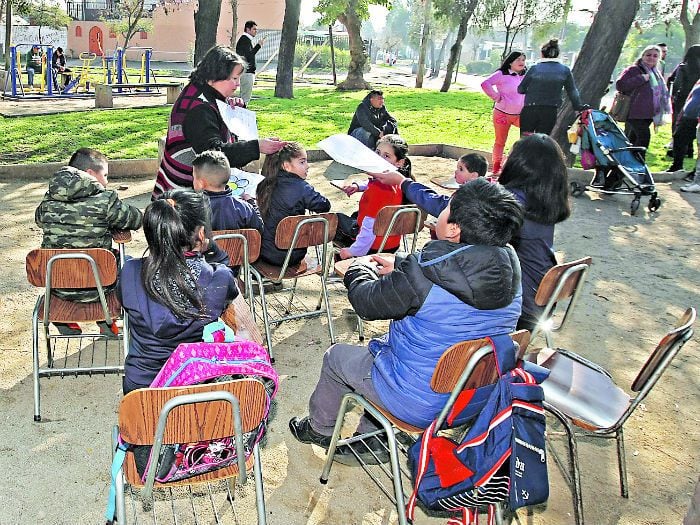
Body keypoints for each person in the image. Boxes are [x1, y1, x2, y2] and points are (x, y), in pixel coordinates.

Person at [288, 179, 523, 464]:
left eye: (447, 207)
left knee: (337, 357)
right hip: (472, 398)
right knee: (396, 358)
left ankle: (319, 428)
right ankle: (370, 439)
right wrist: (401, 267)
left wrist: (357, 270)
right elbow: (456, 279)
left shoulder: (422, 275)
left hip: (417, 401)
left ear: (453, 229)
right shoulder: (510, 269)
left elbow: (366, 303)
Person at [119, 189, 238, 394]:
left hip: (142, 392)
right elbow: (229, 283)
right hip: (198, 387)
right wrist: (210, 249)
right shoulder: (219, 279)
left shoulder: (129, 272)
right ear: (201, 234)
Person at [35, 147, 143, 335]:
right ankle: (106, 318)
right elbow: (135, 220)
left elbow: (39, 219)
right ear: (90, 174)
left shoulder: (50, 199)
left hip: (58, 286)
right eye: (105, 175)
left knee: (91, 263)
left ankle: (64, 319)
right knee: (132, 265)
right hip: (101, 286)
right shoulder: (105, 200)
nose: (107, 181)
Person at [154, 45, 285, 199]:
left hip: (185, 183)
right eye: (234, 78)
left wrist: (229, 105)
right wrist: (257, 147)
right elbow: (214, 156)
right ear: (214, 76)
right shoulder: (199, 110)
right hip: (184, 194)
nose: (237, 84)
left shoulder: (200, 90)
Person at [497, 134, 571, 330]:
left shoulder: (511, 202)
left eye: (510, 155)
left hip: (519, 308)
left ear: (521, 165)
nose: (506, 158)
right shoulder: (543, 201)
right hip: (541, 300)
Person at [336, 134, 412, 259]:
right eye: (377, 152)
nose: (379, 158)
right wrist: (358, 186)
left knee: (336, 220)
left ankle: (341, 264)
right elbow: (373, 184)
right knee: (355, 216)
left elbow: (369, 230)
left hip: (372, 246)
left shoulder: (377, 190)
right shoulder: (402, 183)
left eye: (386, 156)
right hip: (392, 244)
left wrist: (352, 251)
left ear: (399, 163)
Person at [257, 142, 331, 266]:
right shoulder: (301, 188)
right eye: (302, 162)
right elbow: (324, 205)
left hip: (263, 252)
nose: (308, 166)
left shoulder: (263, 183)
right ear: (287, 166)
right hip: (292, 255)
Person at [517, 39, 585, 136]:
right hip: (550, 111)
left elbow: (520, 89)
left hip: (530, 110)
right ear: (557, 54)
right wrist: (578, 106)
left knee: (525, 141)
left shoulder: (534, 69)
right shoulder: (565, 70)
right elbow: (572, 91)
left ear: (542, 53)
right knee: (543, 141)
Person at [616, 45, 671, 158]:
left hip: (649, 114)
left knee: (633, 140)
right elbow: (620, 85)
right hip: (634, 112)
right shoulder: (634, 70)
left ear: (659, 58)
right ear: (643, 56)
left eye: (655, 56)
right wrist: (641, 78)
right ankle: (639, 162)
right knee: (644, 137)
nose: (651, 58)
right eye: (648, 55)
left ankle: (627, 165)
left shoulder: (656, 73)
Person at [191, 150, 263, 232]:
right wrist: (251, 202)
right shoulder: (244, 208)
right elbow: (259, 230)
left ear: (201, 183)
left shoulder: (191, 209)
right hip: (240, 245)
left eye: (194, 177)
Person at [481, 51, 527, 174]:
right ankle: (496, 167)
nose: (521, 62)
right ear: (510, 62)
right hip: (502, 113)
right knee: (500, 141)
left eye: (523, 60)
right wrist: (496, 97)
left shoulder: (526, 75)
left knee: (526, 140)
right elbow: (485, 83)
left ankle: (513, 164)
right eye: (518, 60)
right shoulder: (501, 74)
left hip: (521, 115)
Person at [667, 45, 700, 172]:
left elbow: (676, 84)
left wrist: (675, 98)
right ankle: (692, 166)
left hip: (686, 105)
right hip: (691, 105)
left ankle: (677, 164)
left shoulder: (684, 67)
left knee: (680, 135)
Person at [235, 20, 266, 105]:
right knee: (245, 99)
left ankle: (241, 114)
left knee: (243, 98)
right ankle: (242, 115)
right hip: (247, 73)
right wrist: (258, 46)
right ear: (248, 30)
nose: (256, 31)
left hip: (246, 72)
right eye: (254, 29)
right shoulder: (245, 40)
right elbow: (249, 56)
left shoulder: (245, 40)